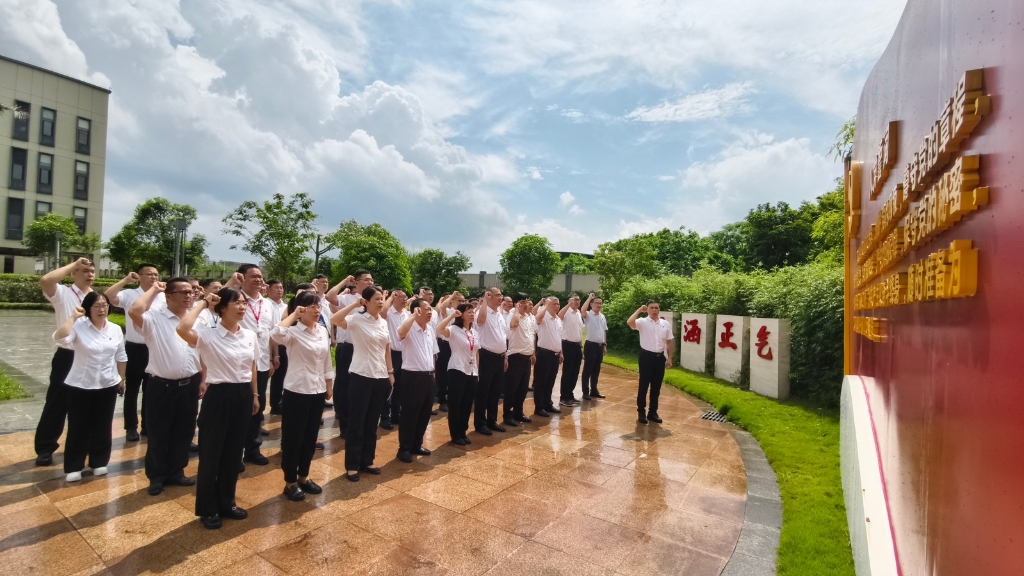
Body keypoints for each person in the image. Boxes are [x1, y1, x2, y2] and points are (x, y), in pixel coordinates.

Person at [177, 288, 259, 530]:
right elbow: (182, 328)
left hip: (243, 394)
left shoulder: (249, 335)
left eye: (245, 303)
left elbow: (252, 366)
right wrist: (203, 303)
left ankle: (227, 502)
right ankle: (208, 508)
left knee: (234, 454)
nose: (243, 306)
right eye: (237, 302)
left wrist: (254, 394)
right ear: (222, 307)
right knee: (212, 454)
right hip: (218, 395)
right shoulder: (208, 334)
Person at [128, 278, 201, 496]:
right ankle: (157, 476)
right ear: (168, 296)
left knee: (184, 431)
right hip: (162, 386)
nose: (188, 296)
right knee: (159, 433)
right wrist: (153, 289)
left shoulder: (195, 320)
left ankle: (177, 471)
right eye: (183, 292)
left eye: (191, 292)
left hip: (190, 384)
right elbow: (134, 311)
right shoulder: (154, 319)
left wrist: (204, 379)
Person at [53, 292, 127, 482]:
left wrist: (121, 378)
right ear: (88, 309)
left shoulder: (115, 329)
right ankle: (74, 466)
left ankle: (99, 461)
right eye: (97, 306)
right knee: (79, 426)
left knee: (103, 425)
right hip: (80, 385)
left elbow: (121, 356)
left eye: (105, 305)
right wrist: (73, 317)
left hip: (107, 384)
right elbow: (60, 338)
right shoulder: (79, 327)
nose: (102, 309)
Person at [272, 291, 334, 501]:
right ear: (300, 309)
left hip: (316, 390)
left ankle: (303, 476)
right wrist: (294, 315)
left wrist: (329, 383)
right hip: (297, 391)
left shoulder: (322, 331)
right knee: (293, 438)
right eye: (312, 307)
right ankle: (289, 481)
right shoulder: (293, 332)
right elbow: (275, 334)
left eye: (318, 306)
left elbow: (326, 360)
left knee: (309, 438)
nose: (317, 310)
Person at [34, 257, 95, 466]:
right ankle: (45, 447)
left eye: (92, 271)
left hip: (89, 356)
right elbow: (46, 280)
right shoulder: (63, 294)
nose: (89, 274)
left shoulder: (95, 297)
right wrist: (74, 263)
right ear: (73, 273)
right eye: (84, 270)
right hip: (67, 355)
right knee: (57, 403)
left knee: (86, 404)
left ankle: (83, 445)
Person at [331, 286, 394, 482]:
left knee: (371, 421)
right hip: (360, 375)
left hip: (380, 376)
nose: (381, 301)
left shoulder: (383, 322)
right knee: (357, 421)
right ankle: (352, 465)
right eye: (376, 298)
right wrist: (354, 305)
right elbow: (335, 320)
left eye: (382, 298)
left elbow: (387, 348)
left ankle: (367, 460)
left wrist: (390, 372)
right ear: (365, 301)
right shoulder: (357, 319)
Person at [226, 264, 280, 466]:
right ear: (242, 278)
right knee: (238, 411)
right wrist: (232, 283)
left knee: (257, 407)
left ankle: (253, 449)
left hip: (262, 362)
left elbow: (271, 332)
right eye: (253, 276)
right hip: (238, 364)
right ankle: (234, 453)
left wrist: (275, 356)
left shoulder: (267, 304)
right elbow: (214, 304)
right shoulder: (234, 300)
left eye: (260, 276)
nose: (258, 279)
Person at [106, 263, 163, 441]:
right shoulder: (130, 294)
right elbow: (109, 296)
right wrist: (125, 280)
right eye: (149, 274)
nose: (154, 277)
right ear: (139, 276)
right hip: (135, 348)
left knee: (151, 389)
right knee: (132, 389)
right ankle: (131, 426)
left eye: (156, 274)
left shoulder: (163, 296)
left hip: (154, 348)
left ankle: (148, 425)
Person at [325, 270, 375, 435]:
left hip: (365, 349)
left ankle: (358, 422)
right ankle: (345, 424)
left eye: (371, 280)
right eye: (367, 280)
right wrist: (344, 281)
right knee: (344, 386)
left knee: (360, 387)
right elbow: (330, 296)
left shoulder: (373, 301)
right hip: (348, 347)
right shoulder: (348, 298)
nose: (370, 282)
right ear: (356, 282)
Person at [396, 297, 438, 462]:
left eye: (430, 309)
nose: (430, 312)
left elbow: (433, 354)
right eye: (426, 309)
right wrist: (412, 316)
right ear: (416, 310)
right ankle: (404, 448)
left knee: (424, 413)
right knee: (410, 414)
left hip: (428, 376)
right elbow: (400, 333)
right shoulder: (409, 327)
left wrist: (433, 373)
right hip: (412, 377)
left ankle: (416, 444)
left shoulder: (430, 330)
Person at [628, 301, 674, 424]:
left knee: (656, 386)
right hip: (646, 357)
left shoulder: (665, 324)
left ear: (659, 310)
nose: (654, 310)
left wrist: (669, 358)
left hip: (660, 358)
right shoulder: (642, 322)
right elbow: (630, 322)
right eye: (651, 308)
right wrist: (639, 310)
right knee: (643, 385)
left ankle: (652, 412)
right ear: (647, 309)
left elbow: (669, 342)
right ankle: (641, 412)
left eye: (656, 308)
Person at [437, 303, 477, 445]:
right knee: (456, 403)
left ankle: (463, 431)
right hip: (457, 369)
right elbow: (439, 329)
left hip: (472, 371)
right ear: (461, 314)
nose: (472, 313)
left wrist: (478, 371)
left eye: (473, 311)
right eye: (469, 311)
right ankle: (455, 434)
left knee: (467, 404)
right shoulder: (454, 329)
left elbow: (475, 352)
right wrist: (452, 316)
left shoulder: (474, 332)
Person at [474, 287, 508, 435]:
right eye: (497, 295)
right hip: (486, 356)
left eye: (501, 295)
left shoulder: (499, 314)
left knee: (495, 391)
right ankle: (480, 423)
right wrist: (485, 302)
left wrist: (505, 355)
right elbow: (480, 321)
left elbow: (502, 335)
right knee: (484, 391)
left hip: (500, 356)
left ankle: (492, 420)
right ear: (489, 296)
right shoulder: (482, 311)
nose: (500, 298)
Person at [504, 293, 535, 427]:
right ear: (518, 303)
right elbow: (514, 325)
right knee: (512, 388)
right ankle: (508, 414)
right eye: (523, 302)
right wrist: (517, 310)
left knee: (522, 388)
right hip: (516, 356)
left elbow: (531, 335)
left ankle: (519, 412)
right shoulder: (512, 314)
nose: (526, 304)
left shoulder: (528, 317)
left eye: (527, 302)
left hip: (527, 356)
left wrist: (533, 352)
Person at [381, 289, 409, 430]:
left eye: (406, 297)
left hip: (404, 353)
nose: (404, 299)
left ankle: (396, 414)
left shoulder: (407, 314)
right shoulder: (389, 312)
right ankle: (384, 417)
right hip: (390, 353)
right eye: (401, 297)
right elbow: (381, 313)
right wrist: (390, 296)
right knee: (388, 386)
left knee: (400, 386)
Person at [533, 297, 563, 417]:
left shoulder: (558, 320)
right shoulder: (544, 316)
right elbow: (536, 317)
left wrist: (561, 352)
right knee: (541, 381)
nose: (556, 306)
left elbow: (559, 337)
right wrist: (544, 305)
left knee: (550, 381)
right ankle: (539, 407)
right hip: (544, 354)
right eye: (554, 304)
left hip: (555, 354)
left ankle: (547, 403)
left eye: (558, 304)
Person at [433, 291, 463, 413]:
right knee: (443, 374)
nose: (461, 302)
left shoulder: (463, 314)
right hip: (445, 345)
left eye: (462, 300)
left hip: (457, 346)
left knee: (455, 373)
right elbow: (442, 307)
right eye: (458, 300)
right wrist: (452, 296)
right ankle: (442, 400)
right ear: (453, 302)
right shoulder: (449, 312)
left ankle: (453, 398)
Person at [266, 279, 289, 416]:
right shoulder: (265, 305)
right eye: (277, 288)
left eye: (281, 287)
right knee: (268, 376)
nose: (280, 290)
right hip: (269, 343)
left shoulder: (285, 306)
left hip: (284, 343)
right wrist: (273, 354)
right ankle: (270, 404)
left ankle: (278, 403)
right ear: (268, 289)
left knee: (281, 376)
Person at [558, 294, 585, 407]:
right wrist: (569, 304)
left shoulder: (578, 313)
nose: (577, 301)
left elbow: (580, 330)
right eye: (574, 300)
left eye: (578, 300)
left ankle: (570, 394)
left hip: (577, 345)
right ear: (569, 301)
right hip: (567, 344)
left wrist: (581, 345)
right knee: (567, 371)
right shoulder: (566, 311)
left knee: (575, 372)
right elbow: (559, 315)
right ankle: (564, 397)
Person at [580, 293, 608, 400]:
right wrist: (589, 298)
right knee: (588, 369)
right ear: (591, 304)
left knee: (596, 369)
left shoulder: (602, 316)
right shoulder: (588, 314)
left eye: (600, 303)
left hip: (600, 346)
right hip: (590, 345)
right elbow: (582, 309)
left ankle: (594, 390)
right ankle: (585, 392)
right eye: (597, 303)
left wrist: (604, 345)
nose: (599, 305)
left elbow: (604, 331)